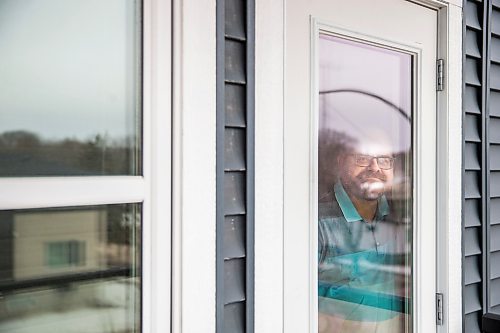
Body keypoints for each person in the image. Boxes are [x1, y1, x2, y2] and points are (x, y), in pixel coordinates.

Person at [318, 138, 409, 333]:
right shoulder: (315, 222)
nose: (374, 167)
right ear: (341, 162)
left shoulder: (400, 215)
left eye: (384, 159)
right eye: (362, 157)